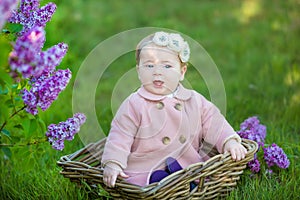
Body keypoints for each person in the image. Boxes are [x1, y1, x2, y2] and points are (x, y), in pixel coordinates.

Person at [101, 31, 247, 188]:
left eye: (167, 66)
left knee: (190, 174)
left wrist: (229, 141)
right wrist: (113, 162)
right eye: (149, 65)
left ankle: (183, 184)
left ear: (182, 72)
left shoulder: (193, 100)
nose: (157, 71)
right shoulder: (134, 103)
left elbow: (214, 122)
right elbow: (120, 135)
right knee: (152, 181)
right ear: (138, 71)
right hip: (145, 168)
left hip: (187, 165)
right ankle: (161, 184)